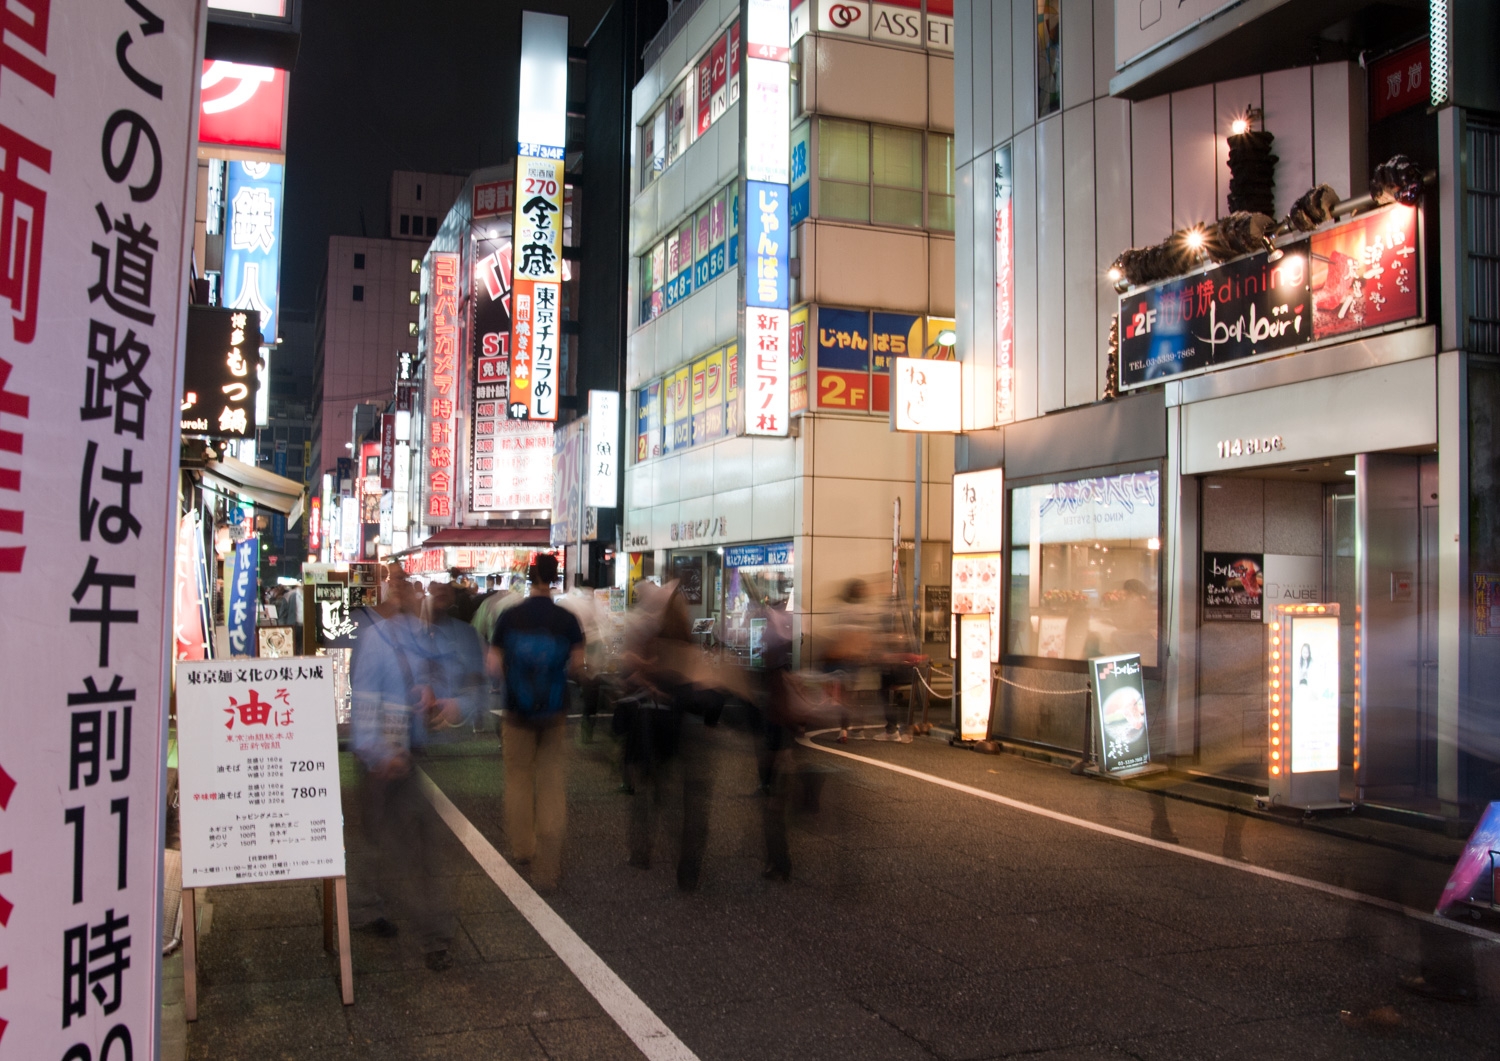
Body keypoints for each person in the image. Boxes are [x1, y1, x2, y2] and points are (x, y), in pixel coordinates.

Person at [348, 562, 465, 971]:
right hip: (382, 759)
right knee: (391, 840)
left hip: (407, 754)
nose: (411, 593)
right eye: (400, 584)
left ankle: (399, 919)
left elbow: (439, 686)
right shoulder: (376, 639)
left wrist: (436, 699)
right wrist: (379, 753)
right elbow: (364, 701)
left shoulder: (422, 638)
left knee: (403, 841)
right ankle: (421, 930)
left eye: (413, 586)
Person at [487, 554, 584, 890]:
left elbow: (492, 665)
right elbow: (577, 666)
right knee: (551, 785)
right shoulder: (567, 620)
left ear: (529, 579)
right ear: (555, 578)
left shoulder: (510, 617)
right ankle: (547, 869)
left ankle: (523, 848)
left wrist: (512, 682)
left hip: (517, 713)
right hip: (554, 714)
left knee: (518, 780)